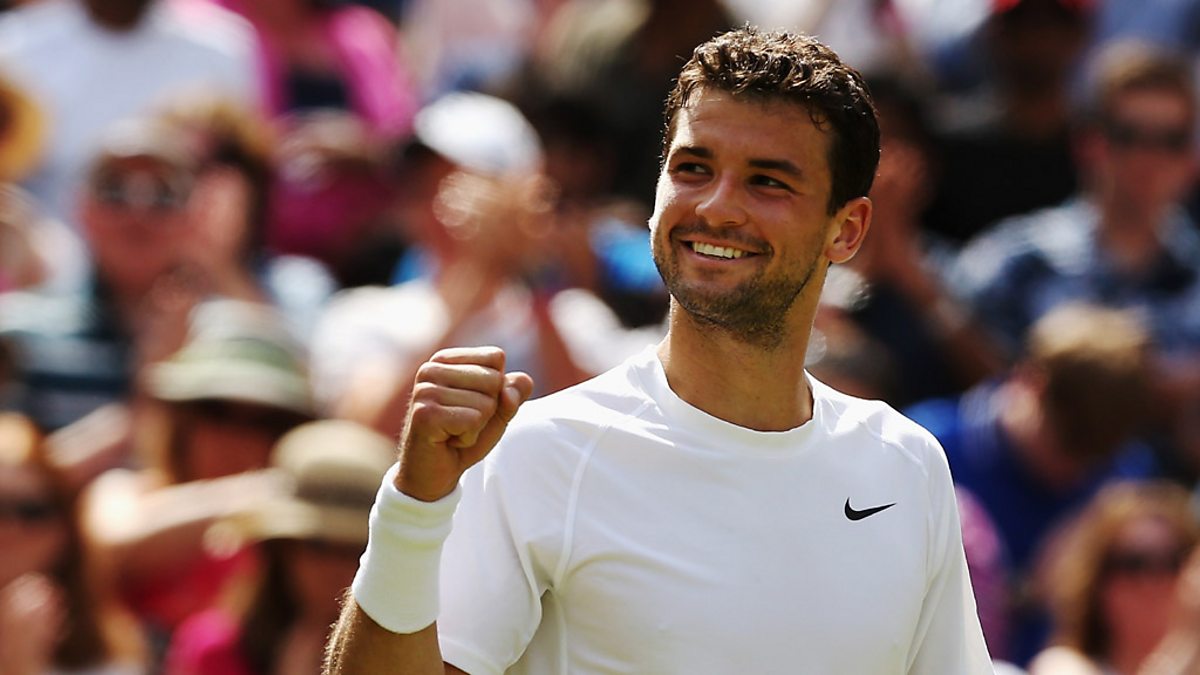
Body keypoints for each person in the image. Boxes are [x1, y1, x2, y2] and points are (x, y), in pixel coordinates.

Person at [325, 27, 993, 674]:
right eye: (693, 169)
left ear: (846, 229)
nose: (717, 207)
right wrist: (412, 510)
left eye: (767, 181)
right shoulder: (538, 451)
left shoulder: (907, 467)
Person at [164, 419, 395, 674]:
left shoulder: (413, 658)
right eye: (318, 546)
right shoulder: (217, 649)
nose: (335, 569)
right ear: (283, 550)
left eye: (356, 550)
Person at [0, 412, 145, 674]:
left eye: (32, 511)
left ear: (65, 528)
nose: (10, 528)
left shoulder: (106, 649)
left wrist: (21, 666)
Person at [1028, 481, 1199, 675]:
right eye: (1134, 562)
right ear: (1098, 582)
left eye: (1173, 561)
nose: (1153, 580)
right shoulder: (1063, 665)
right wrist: (1188, 643)